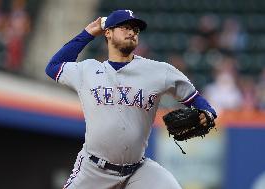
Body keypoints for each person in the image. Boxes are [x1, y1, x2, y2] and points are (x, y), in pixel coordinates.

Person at [46, 10, 217, 189]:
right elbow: (53, 67)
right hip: (94, 171)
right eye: (125, 27)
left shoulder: (158, 71)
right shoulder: (87, 70)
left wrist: (208, 113)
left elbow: (195, 99)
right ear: (108, 33)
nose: (132, 32)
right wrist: (88, 33)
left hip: (137, 171)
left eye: (135, 29)